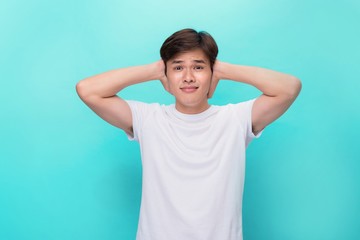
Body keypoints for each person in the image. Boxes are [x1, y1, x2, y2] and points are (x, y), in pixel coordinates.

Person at [76, 28, 301, 240]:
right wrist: (155, 69)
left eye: (199, 67)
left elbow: (289, 88)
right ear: (166, 75)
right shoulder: (148, 119)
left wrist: (222, 69)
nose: (188, 77)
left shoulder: (235, 119)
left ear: (212, 72)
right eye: (177, 68)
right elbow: (88, 90)